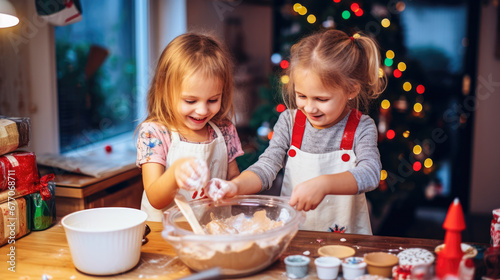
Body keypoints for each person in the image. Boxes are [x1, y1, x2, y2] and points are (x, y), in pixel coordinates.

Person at [206, 29, 386, 234]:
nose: (310, 108)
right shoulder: (290, 122)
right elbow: (266, 167)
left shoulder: (361, 127)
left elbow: (371, 174)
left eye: (321, 99)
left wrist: (324, 184)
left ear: (351, 90)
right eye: (302, 96)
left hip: (347, 242)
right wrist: (236, 187)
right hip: (297, 234)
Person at [136, 33, 244, 222]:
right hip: (164, 236)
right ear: (164, 89)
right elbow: (155, 198)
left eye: (213, 100)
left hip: (213, 231)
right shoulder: (154, 133)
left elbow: (234, 178)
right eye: (190, 100)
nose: (202, 110)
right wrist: (175, 174)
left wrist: (226, 189)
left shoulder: (224, 129)